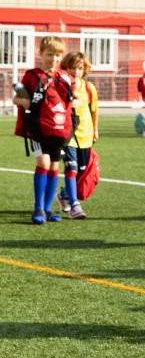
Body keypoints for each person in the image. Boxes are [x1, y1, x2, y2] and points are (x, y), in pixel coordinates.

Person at [17, 36, 70, 224]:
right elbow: (18, 98)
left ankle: (48, 209)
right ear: (40, 54)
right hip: (37, 129)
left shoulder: (62, 78)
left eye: (57, 55)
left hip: (56, 131)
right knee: (43, 164)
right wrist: (26, 101)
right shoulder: (31, 75)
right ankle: (38, 208)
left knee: (55, 166)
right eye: (49, 54)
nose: (54, 59)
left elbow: (67, 103)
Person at [58, 52, 99, 220]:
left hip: (86, 135)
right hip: (68, 136)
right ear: (66, 69)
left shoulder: (89, 88)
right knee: (71, 168)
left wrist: (95, 129)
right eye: (73, 68)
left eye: (80, 68)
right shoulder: (62, 86)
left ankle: (64, 195)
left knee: (81, 170)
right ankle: (75, 205)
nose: (76, 71)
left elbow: (94, 110)